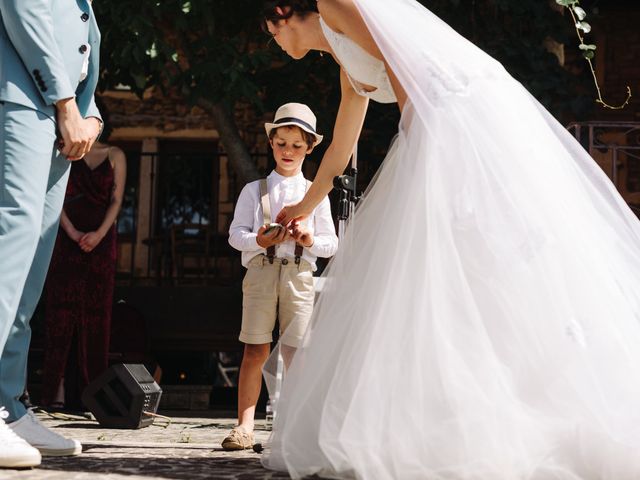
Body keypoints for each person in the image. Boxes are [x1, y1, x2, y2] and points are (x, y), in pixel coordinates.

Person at [259, 1, 640, 479]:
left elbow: (401, 58)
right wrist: (306, 205)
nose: (273, 41)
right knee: (452, 268)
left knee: (454, 254)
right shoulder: (343, 62)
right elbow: (340, 146)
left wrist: (419, 131)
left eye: (270, 31)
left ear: (282, 13)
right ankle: (465, 415)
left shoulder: (333, 3)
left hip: (454, 116)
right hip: (431, 116)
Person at [0, 0, 102, 468]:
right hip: (21, 98)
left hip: (61, 117)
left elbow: (81, 31)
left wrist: (89, 110)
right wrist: (66, 103)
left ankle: (10, 404)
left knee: (32, 264)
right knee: (9, 248)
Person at [224, 102, 338, 451]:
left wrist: (308, 240)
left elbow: (330, 244)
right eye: (282, 143)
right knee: (255, 348)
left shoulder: (315, 195)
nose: (288, 151)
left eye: (296, 145)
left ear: (309, 148)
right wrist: (259, 240)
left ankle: (296, 428)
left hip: (299, 276)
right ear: (271, 142)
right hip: (260, 274)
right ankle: (245, 426)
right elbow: (235, 234)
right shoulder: (254, 190)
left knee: (296, 352)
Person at [41, 138, 126, 411]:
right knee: (60, 314)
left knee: (97, 316)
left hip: (101, 239)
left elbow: (117, 199)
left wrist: (99, 235)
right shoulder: (63, 153)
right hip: (67, 238)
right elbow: (52, 195)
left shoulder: (114, 154)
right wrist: (72, 232)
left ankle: (93, 393)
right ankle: (57, 389)